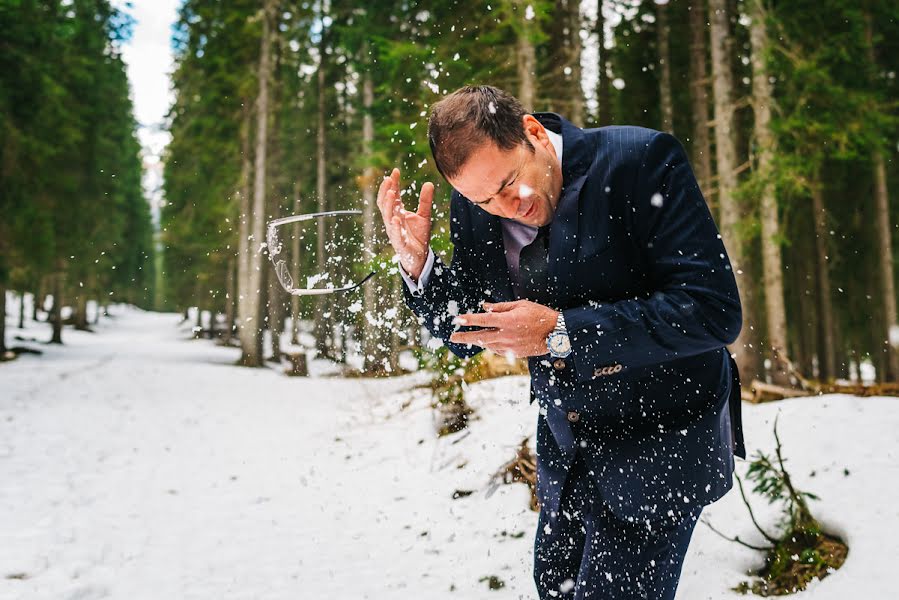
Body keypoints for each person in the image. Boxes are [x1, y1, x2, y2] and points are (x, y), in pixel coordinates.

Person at [376, 84, 745, 600]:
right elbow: (469, 332)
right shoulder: (476, 207)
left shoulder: (639, 160)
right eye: (485, 199)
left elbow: (713, 310)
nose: (509, 207)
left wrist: (561, 332)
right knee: (555, 589)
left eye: (511, 182)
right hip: (567, 451)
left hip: (662, 441)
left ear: (533, 133)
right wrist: (419, 268)